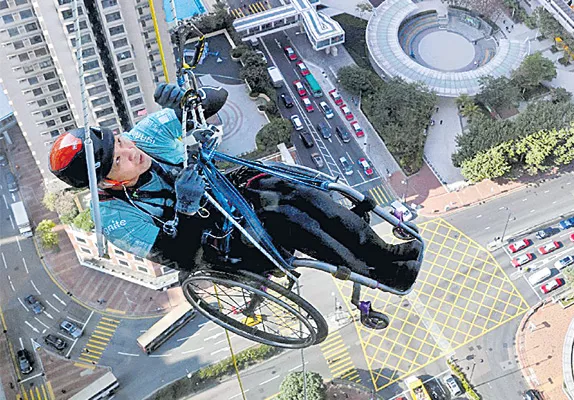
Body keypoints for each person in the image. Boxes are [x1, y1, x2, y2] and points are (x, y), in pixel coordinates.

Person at [48, 84, 421, 291]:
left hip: (228, 196)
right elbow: (183, 260)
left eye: (122, 143)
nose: (131, 152)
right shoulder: (116, 218)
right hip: (218, 247)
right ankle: (378, 273)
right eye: (118, 160)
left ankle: (384, 253)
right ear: (109, 182)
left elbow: (217, 99)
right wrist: (186, 208)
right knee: (287, 217)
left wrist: (187, 98)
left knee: (301, 191)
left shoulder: (140, 139)